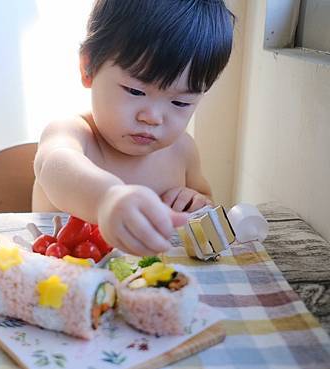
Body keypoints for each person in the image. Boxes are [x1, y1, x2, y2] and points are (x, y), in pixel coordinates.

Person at [32, 0, 235, 256]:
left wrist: (194, 201)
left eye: (180, 102)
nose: (153, 117)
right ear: (88, 68)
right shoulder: (72, 132)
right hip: (66, 285)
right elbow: (53, 166)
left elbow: (203, 200)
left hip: (150, 288)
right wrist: (106, 198)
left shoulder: (182, 151)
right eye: (136, 91)